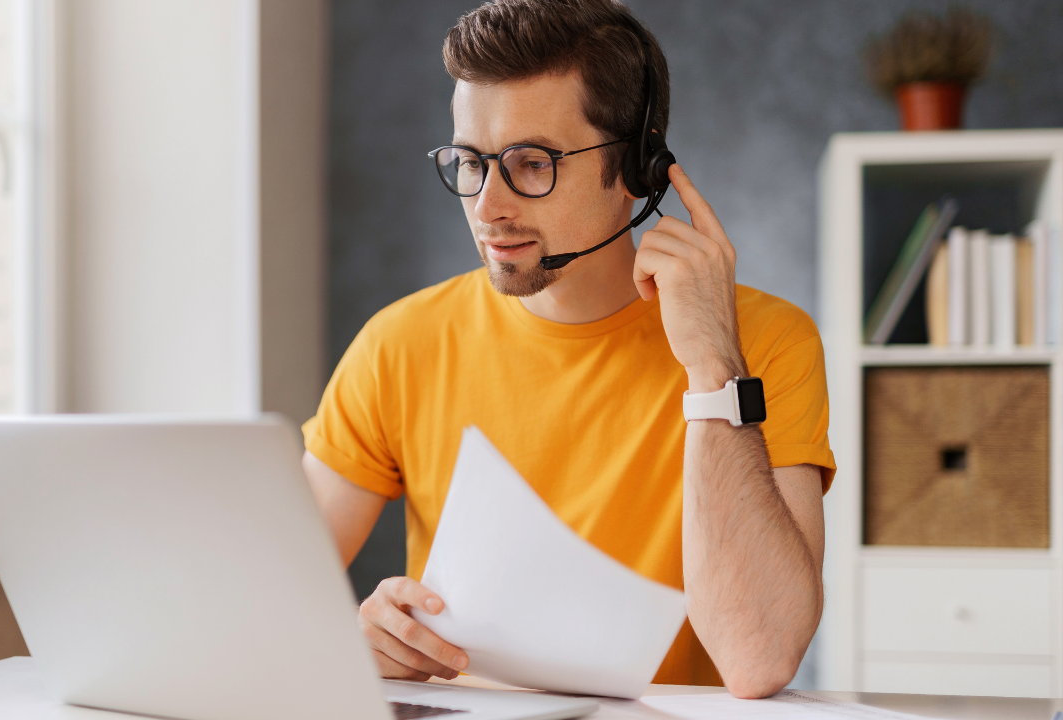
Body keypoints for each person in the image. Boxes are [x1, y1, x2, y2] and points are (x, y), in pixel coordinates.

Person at [301, 0, 834, 699]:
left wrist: (711, 366)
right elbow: (260, 608)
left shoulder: (762, 343)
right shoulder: (398, 345)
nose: (488, 206)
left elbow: (758, 655)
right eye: (470, 161)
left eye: (531, 163)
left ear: (638, 169)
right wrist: (356, 639)